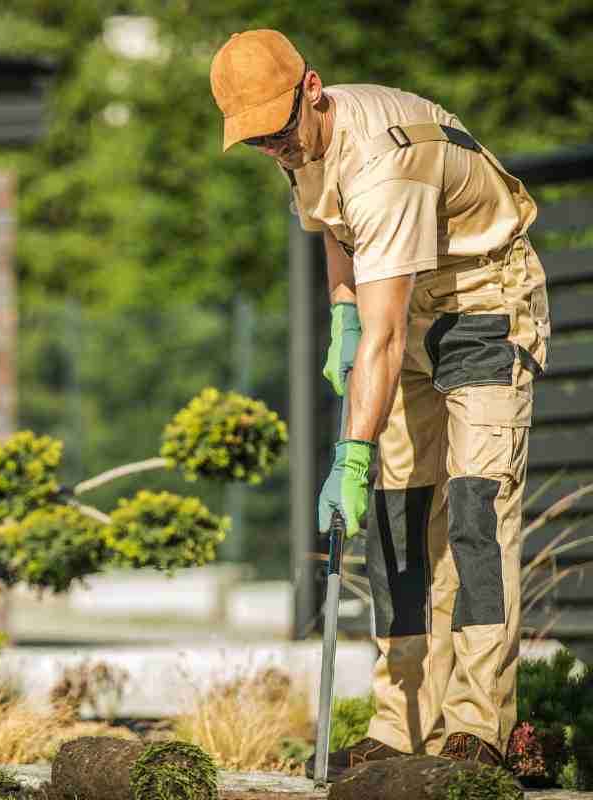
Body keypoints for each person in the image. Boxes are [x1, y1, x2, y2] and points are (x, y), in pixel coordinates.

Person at [209, 29, 551, 780]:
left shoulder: (383, 165)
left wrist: (352, 453)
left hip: (483, 305)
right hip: (403, 304)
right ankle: (400, 727)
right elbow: (336, 231)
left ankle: (477, 729)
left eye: (279, 131)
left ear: (313, 89)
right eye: (258, 140)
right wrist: (342, 316)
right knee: (397, 518)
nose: (276, 149)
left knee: (473, 511)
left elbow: (388, 336)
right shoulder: (301, 145)